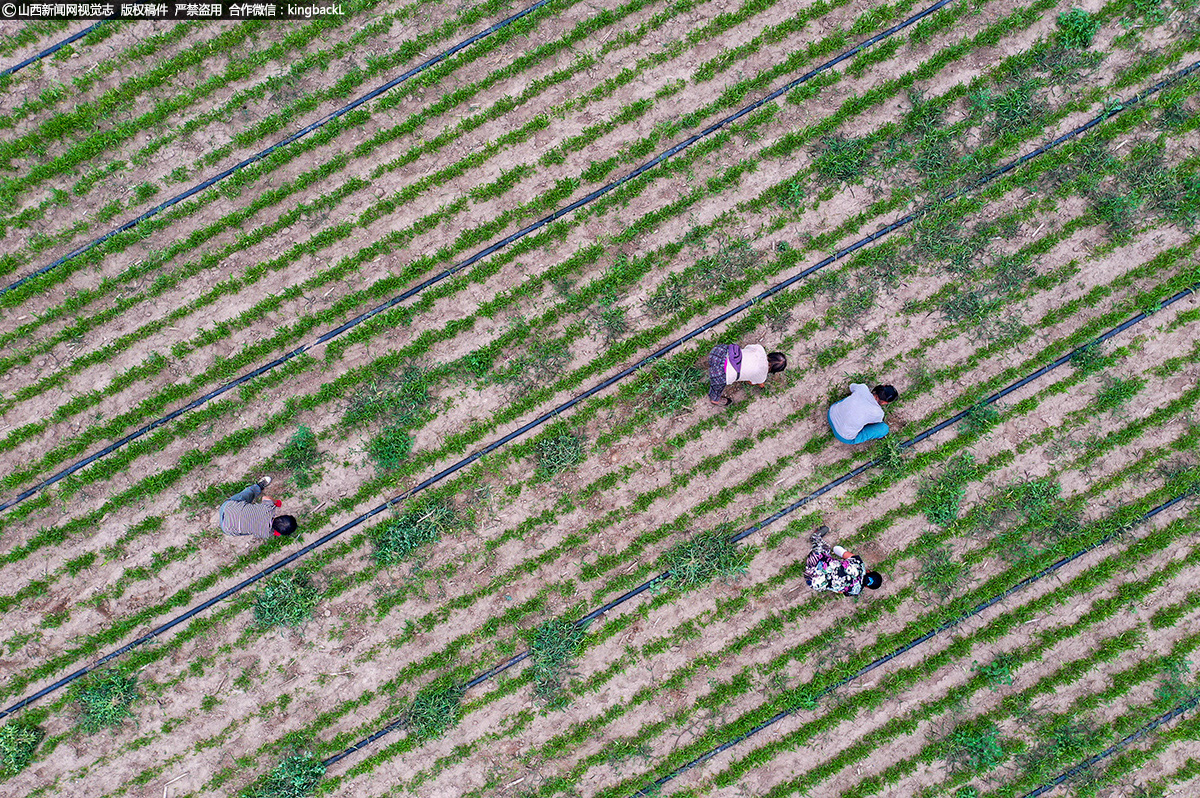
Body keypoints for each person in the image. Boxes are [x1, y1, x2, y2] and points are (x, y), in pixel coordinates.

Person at [804, 526, 882, 596]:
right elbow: (841, 591)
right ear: (867, 587)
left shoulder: (859, 563)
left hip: (814, 561)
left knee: (825, 548)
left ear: (868, 571)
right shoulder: (855, 591)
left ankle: (815, 538)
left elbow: (837, 549)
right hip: (812, 581)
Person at [219, 476, 296, 540]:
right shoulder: (265, 533)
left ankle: (259, 486)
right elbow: (269, 533)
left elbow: (265, 498)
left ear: (281, 516)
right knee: (246, 530)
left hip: (226, 508)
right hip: (226, 528)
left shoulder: (268, 509)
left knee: (247, 495)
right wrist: (274, 533)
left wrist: (276, 502)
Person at [708, 344, 787, 406]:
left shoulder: (759, 349)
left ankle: (710, 361)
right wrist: (760, 383)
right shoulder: (762, 376)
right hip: (720, 373)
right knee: (716, 389)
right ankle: (715, 400)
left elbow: (747, 347)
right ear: (773, 371)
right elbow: (751, 382)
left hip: (719, 352)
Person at [828, 383, 898, 444]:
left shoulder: (862, 388)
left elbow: (852, 386)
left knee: (851, 399)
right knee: (884, 428)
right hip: (843, 436)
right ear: (884, 402)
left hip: (831, 413)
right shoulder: (878, 413)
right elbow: (872, 423)